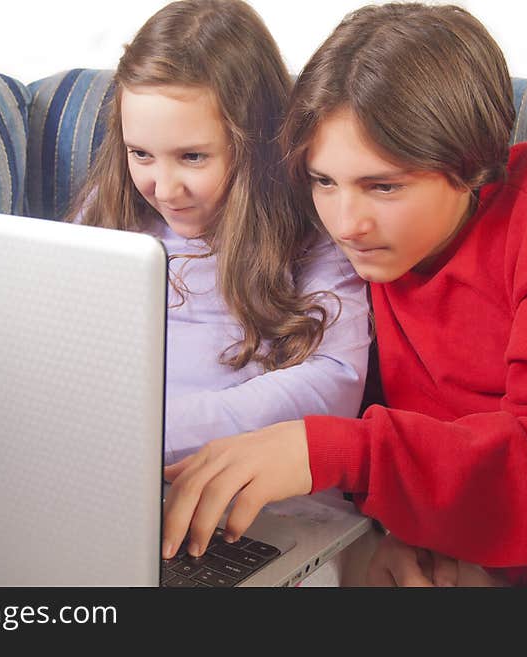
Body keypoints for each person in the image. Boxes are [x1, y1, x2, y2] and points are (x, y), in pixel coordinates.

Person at [161, 2, 527, 586]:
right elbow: (429, 446)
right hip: (471, 530)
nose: (345, 222)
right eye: (324, 181)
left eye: (383, 186)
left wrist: (343, 453)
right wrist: (392, 535)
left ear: (470, 164)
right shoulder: (376, 249)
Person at [67, 0, 371, 465]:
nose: (164, 189)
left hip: (246, 495)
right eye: (141, 154)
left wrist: (147, 435)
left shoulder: (314, 235)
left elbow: (333, 382)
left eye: (193, 157)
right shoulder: (110, 212)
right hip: (109, 471)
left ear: (255, 145)